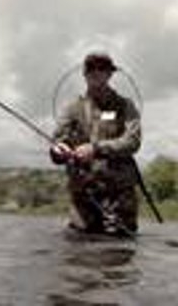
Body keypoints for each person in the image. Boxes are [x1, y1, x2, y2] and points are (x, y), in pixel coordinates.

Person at [50, 52, 142, 236]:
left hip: (119, 196)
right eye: (91, 68)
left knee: (120, 254)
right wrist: (58, 151)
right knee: (79, 255)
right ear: (85, 74)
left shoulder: (126, 106)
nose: (96, 72)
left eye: (102, 68)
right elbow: (58, 141)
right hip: (84, 195)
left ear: (110, 74)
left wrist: (96, 148)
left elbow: (133, 141)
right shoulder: (72, 108)